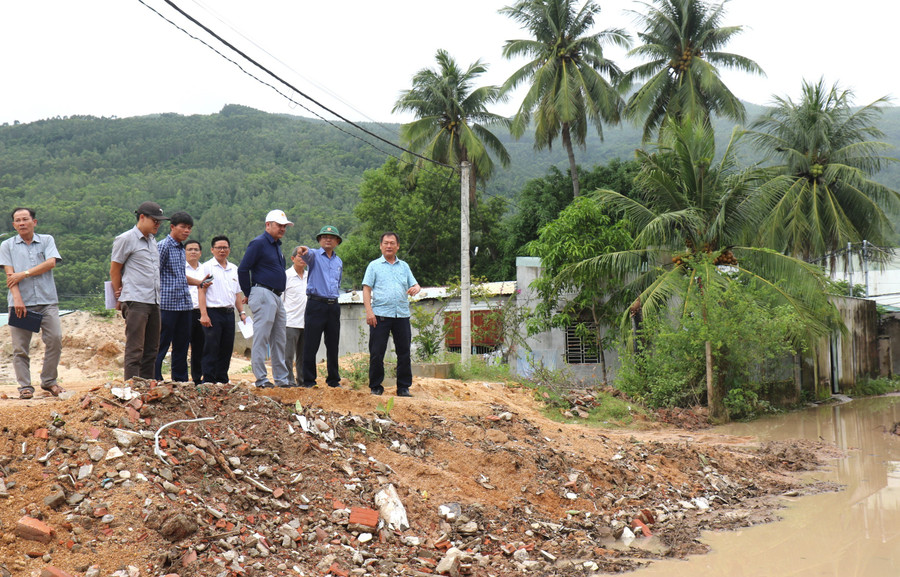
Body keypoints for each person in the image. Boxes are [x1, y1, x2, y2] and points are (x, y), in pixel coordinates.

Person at [0, 207, 64, 399]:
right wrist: (17, 299)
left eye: (25, 219)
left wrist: (25, 273)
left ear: (34, 222)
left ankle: (49, 381)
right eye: (17, 220)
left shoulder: (46, 240)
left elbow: (51, 262)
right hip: (21, 302)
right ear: (13, 225)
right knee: (20, 347)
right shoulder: (7, 245)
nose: (21, 223)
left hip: (47, 301)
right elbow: (10, 275)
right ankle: (25, 386)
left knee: (55, 340)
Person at [110, 201, 168, 381]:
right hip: (136, 300)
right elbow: (115, 269)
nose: (158, 224)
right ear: (142, 217)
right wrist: (118, 294)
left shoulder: (152, 240)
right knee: (135, 349)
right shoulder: (125, 239)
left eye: (160, 221)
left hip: (154, 300)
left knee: (152, 349)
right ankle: (131, 388)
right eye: (155, 220)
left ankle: (146, 386)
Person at [237, 210, 291, 388]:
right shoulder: (259, 243)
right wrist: (249, 292)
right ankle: (261, 378)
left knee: (279, 338)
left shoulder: (276, 246)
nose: (282, 228)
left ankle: (282, 379)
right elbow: (243, 269)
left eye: (284, 226)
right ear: (268, 225)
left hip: (276, 295)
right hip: (263, 292)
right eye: (279, 225)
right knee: (262, 337)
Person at [362, 232, 420, 397]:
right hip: (379, 315)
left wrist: (416, 288)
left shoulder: (404, 266)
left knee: (404, 352)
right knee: (377, 352)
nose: (389, 246)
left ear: (397, 246)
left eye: (392, 243)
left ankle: (403, 387)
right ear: (381, 246)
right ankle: (375, 386)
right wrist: (369, 312)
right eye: (386, 243)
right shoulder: (374, 266)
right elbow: (366, 289)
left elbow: (415, 284)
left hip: (401, 314)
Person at [154, 212, 205, 382]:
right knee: (161, 344)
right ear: (172, 227)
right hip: (167, 305)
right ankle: (154, 378)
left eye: (189, 228)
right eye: (183, 227)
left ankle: (180, 381)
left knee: (182, 346)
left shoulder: (180, 249)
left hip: (184, 305)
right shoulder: (163, 246)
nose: (186, 231)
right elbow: (154, 274)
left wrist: (199, 282)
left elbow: (180, 276)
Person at [298, 225, 343, 388]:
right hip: (316, 304)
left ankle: (333, 380)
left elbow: (337, 283)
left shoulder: (338, 261)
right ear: (319, 240)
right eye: (324, 237)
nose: (328, 239)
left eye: (331, 237)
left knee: (333, 344)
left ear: (337, 241)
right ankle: (309, 380)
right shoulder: (315, 256)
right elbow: (306, 252)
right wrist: (302, 249)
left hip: (333, 305)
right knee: (311, 343)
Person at [199, 235, 245, 383]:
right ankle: (209, 379)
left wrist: (242, 312)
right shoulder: (207, 268)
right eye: (219, 247)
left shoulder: (233, 269)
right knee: (211, 347)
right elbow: (201, 291)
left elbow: (237, 293)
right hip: (213, 312)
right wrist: (204, 314)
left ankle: (222, 379)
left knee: (226, 348)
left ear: (229, 250)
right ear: (212, 250)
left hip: (229, 313)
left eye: (225, 247)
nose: (222, 250)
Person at [282, 247, 308, 387]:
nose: (302, 258)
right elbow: (281, 300)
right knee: (287, 356)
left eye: (305, 256)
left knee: (303, 356)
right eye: (299, 256)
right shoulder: (285, 276)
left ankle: (302, 382)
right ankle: (289, 382)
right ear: (292, 258)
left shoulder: (310, 276)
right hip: (290, 322)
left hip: (306, 322)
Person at [184, 239, 206, 384]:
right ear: (184, 252)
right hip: (184, 311)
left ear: (200, 253)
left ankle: (197, 378)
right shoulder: (180, 269)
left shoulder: (205, 269)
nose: (193, 252)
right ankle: (180, 378)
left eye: (196, 249)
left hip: (201, 312)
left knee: (200, 347)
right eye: (190, 249)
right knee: (182, 346)